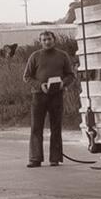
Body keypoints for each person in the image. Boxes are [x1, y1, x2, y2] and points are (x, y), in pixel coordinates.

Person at [23, 31, 77, 167]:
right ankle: (35, 158)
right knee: (36, 127)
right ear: (40, 41)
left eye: (49, 39)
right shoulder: (35, 56)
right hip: (39, 96)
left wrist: (63, 83)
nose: (47, 42)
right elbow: (27, 77)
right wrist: (40, 85)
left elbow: (71, 75)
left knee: (56, 127)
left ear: (54, 40)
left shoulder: (63, 55)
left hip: (56, 95)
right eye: (44, 40)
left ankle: (55, 158)